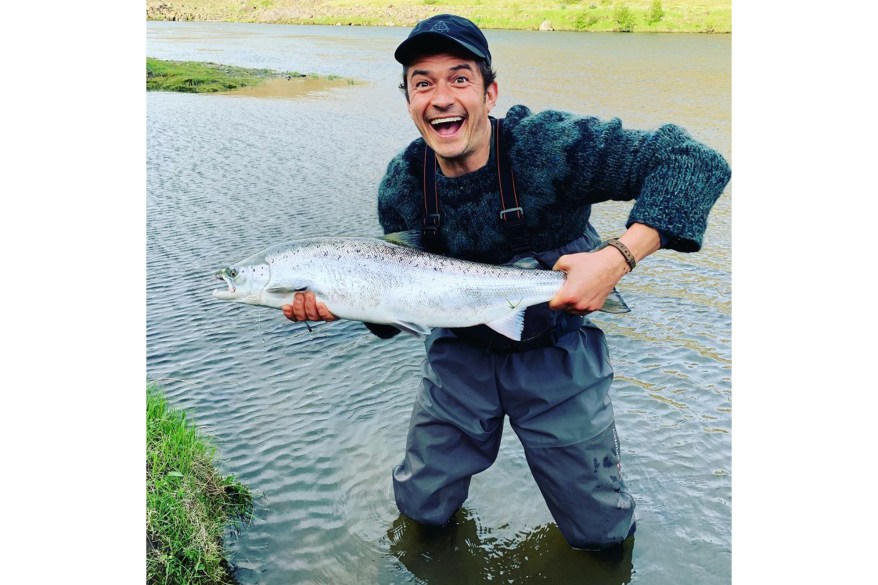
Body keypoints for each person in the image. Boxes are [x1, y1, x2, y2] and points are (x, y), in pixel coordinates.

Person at [283, 14, 731, 550]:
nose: (441, 97)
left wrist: (616, 258)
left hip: (557, 348)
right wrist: (345, 303)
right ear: (408, 101)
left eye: (459, 78)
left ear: (490, 92)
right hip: (459, 352)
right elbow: (396, 313)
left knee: (600, 534)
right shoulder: (403, 184)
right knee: (421, 510)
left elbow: (695, 162)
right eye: (422, 83)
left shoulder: (551, 146)